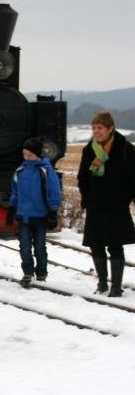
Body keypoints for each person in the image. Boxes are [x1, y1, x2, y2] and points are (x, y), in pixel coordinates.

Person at [77, 111, 135, 297]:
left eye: (100, 128)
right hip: (96, 205)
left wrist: (125, 197)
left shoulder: (125, 148)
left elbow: (133, 177)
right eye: (94, 128)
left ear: (110, 129)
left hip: (116, 205)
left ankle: (116, 287)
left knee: (115, 245)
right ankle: (102, 282)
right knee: (96, 244)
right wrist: (86, 197)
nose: (96, 131)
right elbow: (82, 177)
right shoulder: (89, 149)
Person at [6, 138, 62, 286]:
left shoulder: (45, 171)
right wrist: (12, 208)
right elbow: (15, 191)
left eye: (30, 154)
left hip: (40, 217)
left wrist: (53, 211)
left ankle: (42, 272)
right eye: (25, 154)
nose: (27, 157)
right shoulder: (20, 171)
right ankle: (28, 272)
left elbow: (54, 191)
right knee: (24, 246)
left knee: (39, 247)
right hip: (24, 216)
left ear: (37, 155)